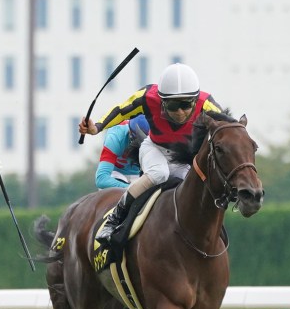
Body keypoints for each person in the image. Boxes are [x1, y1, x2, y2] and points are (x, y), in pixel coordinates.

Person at [78, 63, 233, 244]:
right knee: (159, 173)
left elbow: (231, 127)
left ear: (195, 99)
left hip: (182, 156)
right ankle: (114, 219)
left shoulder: (206, 104)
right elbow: (121, 111)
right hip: (154, 148)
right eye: (174, 105)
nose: (180, 112)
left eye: (186, 104)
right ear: (162, 100)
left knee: (192, 187)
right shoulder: (147, 97)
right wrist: (96, 127)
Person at [95, 115, 150, 189]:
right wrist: (131, 189)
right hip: (115, 174)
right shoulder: (115, 137)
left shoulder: (158, 136)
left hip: (141, 176)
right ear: (130, 134)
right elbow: (101, 179)